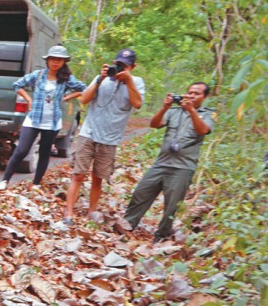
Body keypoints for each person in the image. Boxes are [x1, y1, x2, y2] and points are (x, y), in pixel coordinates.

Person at [122, 82, 215, 242]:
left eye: (197, 93)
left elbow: (203, 130)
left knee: (172, 204)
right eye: (190, 92)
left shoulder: (208, 114)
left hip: (183, 167)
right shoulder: (174, 112)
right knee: (141, 193)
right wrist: (164, 107)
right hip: (162, 163)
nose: (192, 95)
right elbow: (154, 124)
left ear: (205, 97)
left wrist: (191, 110)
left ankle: (161, 236)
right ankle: (126, 225)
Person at [64, 48, 145, 224]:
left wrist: (128, 81)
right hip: (89, 133)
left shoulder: (137, 82)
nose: (119, 68)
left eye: (124, 66)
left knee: (97, 177)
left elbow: (137, 103)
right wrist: (99, 79)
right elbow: (84, 99)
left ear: (132, 67)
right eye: (117, 64)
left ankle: (91, 212)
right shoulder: (103, 78)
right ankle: (68, 213)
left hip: (110, 138)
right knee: (78, 174)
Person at [0, 45, 86, 191]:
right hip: (34, 119)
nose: (55, 62)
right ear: (48, 60)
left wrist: (67, 96)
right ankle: (4, 180)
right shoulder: (38, 75)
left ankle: (36, 183)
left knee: (44, 152)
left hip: (52, 122)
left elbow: (83, 88)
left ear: (64, 62)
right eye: (53, 59)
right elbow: (17, 85)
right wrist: (28, 99)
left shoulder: (66, 79)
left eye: (59, 60)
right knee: (21, 150)